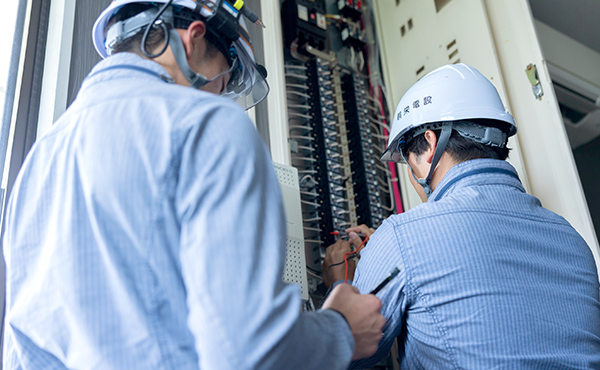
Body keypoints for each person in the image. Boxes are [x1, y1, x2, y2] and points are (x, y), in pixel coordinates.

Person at [2, 1, 385, 368]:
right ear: (193, 37)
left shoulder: (37, 162)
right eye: (224, 80)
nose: (222, 96)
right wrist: (341, 328)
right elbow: (248, 351)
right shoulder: (207, 125)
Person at [323, 63, 600, 368]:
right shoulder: (572, 240)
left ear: (429, 144)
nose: (412, 174)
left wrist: (342, 284)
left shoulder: (402, 236)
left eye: (406, 157)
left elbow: (354, 357)